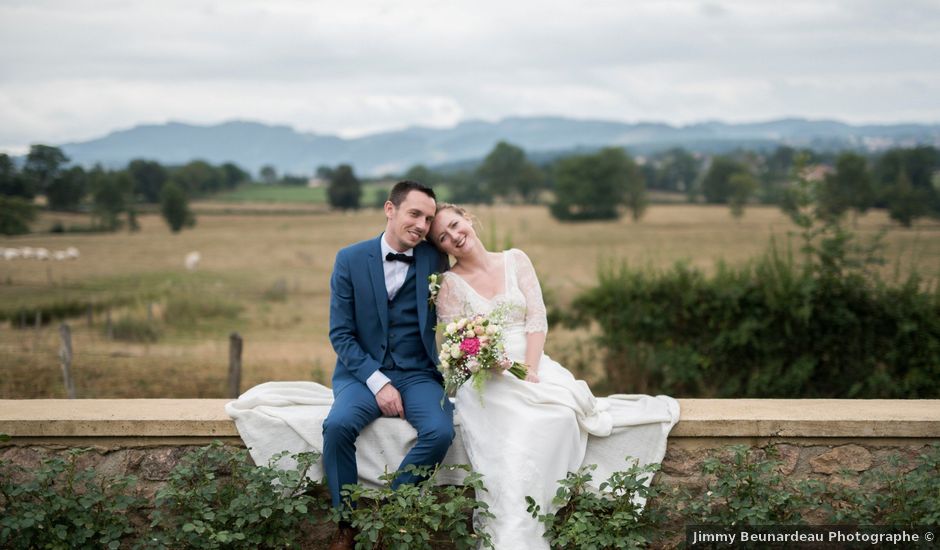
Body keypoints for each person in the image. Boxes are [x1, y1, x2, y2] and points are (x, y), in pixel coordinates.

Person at [428, 203, 618, 549]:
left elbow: (536, 320)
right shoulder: (449, 284)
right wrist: (488, 360)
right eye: (443, 237)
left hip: (532, 362)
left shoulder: (515, 260)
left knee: (560, 415)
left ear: (467, 219)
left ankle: (542, 512)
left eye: (455, 225)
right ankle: (515, 531)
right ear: (440, 247)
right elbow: (457, 343)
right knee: (517, 442)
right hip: (489, 381)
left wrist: (530, 369)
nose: (455, 236)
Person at [322, 181, 454, 550]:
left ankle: (389, 514)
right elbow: (341, 334)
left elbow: (469, 260)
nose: (422, 225)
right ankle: (345, 525)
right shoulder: (349, 259)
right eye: (415, 214)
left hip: (418, 373)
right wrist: (378, 382)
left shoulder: (433, 258)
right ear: (390, 209)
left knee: (441, 431)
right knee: (336, 426)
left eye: (428, 218)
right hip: (361, 374)